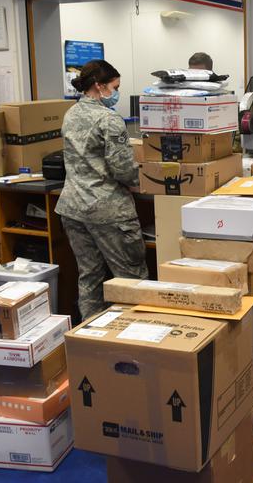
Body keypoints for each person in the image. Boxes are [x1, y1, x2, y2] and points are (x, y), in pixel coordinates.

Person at [55, 59, 148, 320]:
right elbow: (123, 169)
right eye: (115, 87)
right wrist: (145, 177)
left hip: (73, 208)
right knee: (131, 278)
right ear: (99, 86)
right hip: (108, 210)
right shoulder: (109, 119)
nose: (116, 92)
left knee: (90, 276)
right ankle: (136, 336)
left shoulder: (71, 114)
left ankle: (90, 338)